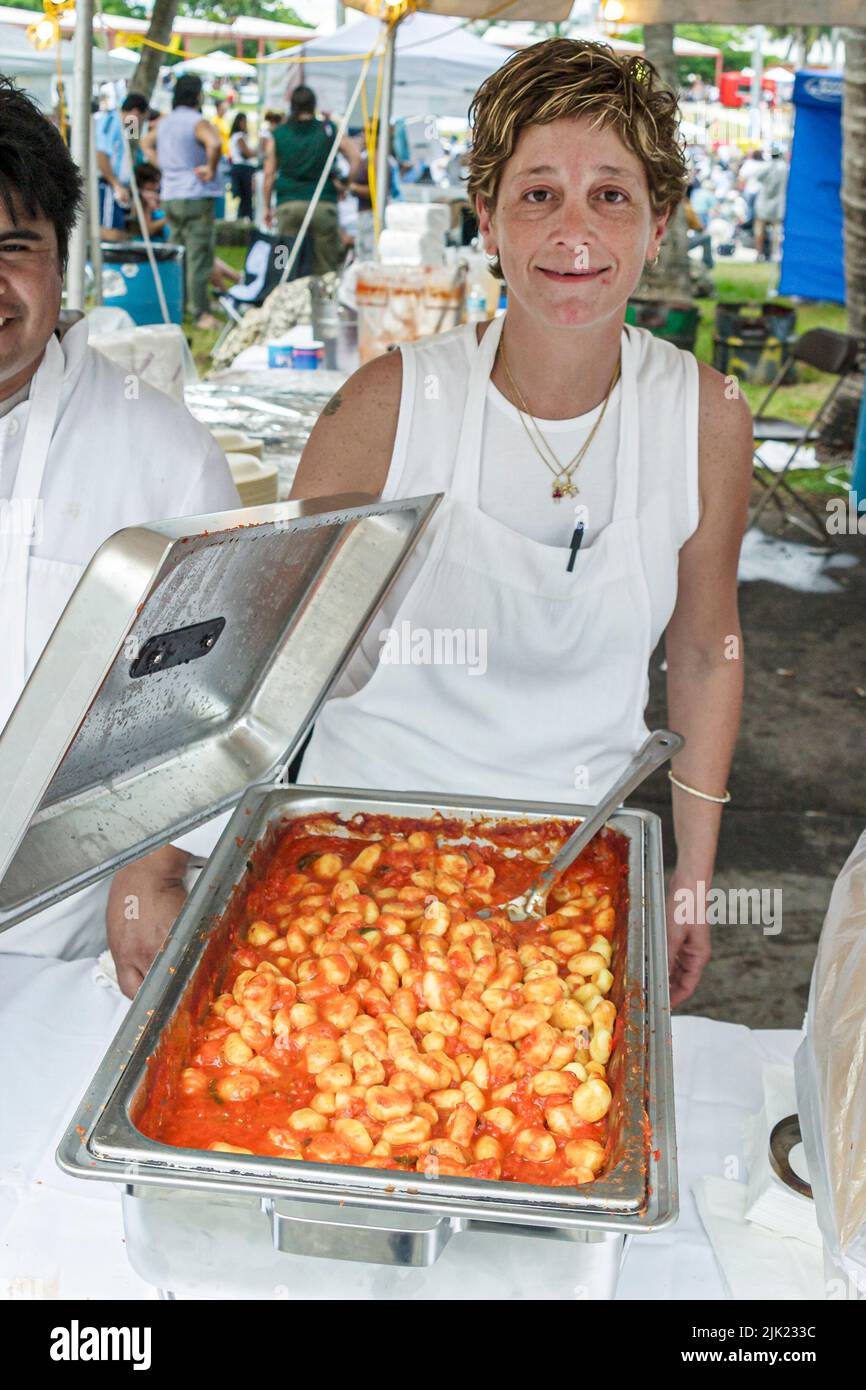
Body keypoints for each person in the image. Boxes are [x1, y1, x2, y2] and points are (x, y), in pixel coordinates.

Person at [290, 39, 754, 1009]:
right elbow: (273, 660)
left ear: (656, 224)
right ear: (487, 223)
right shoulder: (383, 408)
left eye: (611, 195)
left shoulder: (705, 416)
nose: (572, 230)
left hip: (568, 870)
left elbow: (706, 654)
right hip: (354, 859)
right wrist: (172, 856)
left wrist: (692, 875)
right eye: (536, 193)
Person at [0, 79, 240, 989]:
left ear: (64, 260)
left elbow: (208, 696)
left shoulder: (163, 455)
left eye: (13, 248)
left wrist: (154, 868)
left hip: (82, 935)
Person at [263, 83, 360, 276]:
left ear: (292, 105)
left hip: (288, 205)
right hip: (323, 205)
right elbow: (355, 156)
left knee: (283, 261)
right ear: (313, 105)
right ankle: (323, 303)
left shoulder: (279, 134)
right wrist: (345, 184)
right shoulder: (328, 130)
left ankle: (283, 296)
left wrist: (267, 206)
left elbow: (268, 174)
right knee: (325, 267)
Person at [156, 74, 223, 329]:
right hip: (195, 194)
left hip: (170, 195)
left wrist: (163, 166)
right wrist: (210, 168)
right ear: (198, 95)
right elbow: (214, 143)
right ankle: (200, 312)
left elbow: (147, 144)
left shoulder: (164, 122)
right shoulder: (197, 121)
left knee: (178, 253)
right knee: (199, 255)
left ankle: (178, 306)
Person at [95, 91, 148, 237]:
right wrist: (115, 184)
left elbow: (132, 155)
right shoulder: (111, 122)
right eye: (142, 119)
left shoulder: (130, 125)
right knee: (111, 232)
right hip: (109, 185)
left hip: (121, 187)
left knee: (121, 230)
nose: (141, 124)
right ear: (136, 112)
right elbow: (101, 154)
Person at [753, 146, 788, 261]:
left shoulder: (765, 166)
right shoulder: (785, 168)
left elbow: (757, 177)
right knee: (776, 230)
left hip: (766, 202)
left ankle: (760, 254)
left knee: (760, 229)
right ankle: (774, 254)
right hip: (778, 203)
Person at [228, 112, 256, 222]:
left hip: (240, 168)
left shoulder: (236, 136)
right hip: (243, 169)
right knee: (246, 199)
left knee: (244, 199)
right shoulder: (239, 136)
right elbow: (246, 153)